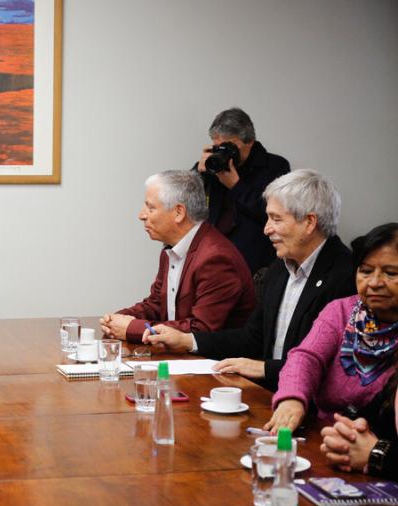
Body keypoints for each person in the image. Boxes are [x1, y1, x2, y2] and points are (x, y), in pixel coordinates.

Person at [142, 170, 355, 391]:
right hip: (268, 395)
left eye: (276, 219)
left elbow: (336, 366)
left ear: (309, 222)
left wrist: (264, 369)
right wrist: (188, 341)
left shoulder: (346, 277)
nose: (266, 229)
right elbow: (252, 337)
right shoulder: (278, 270)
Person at [265, 223, 398, 434]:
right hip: (323, 434)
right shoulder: (341, 311)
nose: (374, 282)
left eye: (390, 273)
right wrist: (292, 399)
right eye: (365, 271)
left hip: (380, 450)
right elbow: (306, 357)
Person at [100, 170, 256, 343]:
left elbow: (200, 330)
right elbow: (156, 304)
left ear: (178, 213)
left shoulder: (216, 257)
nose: (141, 215)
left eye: (151, 208)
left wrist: (132, 328)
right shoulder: (171, 247)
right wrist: (118, 319)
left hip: (217, 364)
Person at [196, 107, 290, 274]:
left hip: (254, 264)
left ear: (250, 142)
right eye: (218, 147)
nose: (224, 153)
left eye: (229, 146)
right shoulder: (214, 165)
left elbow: (276, 217)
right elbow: (185, 202)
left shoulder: (275, 167)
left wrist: (236, 186)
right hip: (213, 259)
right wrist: (199, 172)